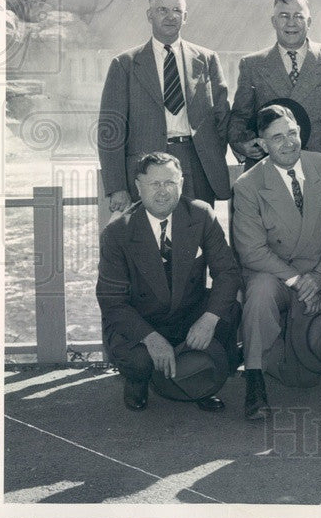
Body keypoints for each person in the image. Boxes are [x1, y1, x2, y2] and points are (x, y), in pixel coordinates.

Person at [97, 152, 242, 412]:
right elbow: (111, 301)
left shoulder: (201, 214)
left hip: (187, 313)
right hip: (143, 320)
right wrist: (150, 338)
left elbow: (228, 272)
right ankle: (137, 381)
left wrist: (208, 320)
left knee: (228, 311)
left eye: (170, 183)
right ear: (138, 187)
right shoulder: (117, 232)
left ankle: (201, 377)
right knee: (139, 360)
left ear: (182, 184)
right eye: (154, 184)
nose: (163, 191)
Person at [232, 104, 321, 420]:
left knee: (305, 379)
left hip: (320, 272)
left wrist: (320, 276)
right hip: (276, 273)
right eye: (276, 138)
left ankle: (282, 353)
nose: (288, 143)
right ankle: (254, 380)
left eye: (292, 133)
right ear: (263, 145)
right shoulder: (248, 185)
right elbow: (251, 250)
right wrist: (298, 280)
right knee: (260, 292)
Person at [98, 0, 231, 209]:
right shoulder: (125, 64)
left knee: (196, 233)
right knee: (153, 240)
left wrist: (213, 156)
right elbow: (111, 129)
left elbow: (222, 117)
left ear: (185, 16)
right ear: (149, 15)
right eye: (162, 10)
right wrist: (117, 186)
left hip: (196, 164)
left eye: (176, 10)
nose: (170, 16)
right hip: (147, 169)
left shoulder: (207, 59)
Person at [229, 0, 321, 163]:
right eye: (284, 16)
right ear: (273, 22)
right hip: (271, 164)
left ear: (309, 22)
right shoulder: (252, 65)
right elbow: (240, 116)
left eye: (298, 16)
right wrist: (241, 143)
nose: (291, 23)